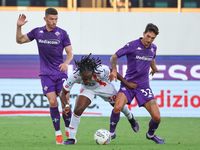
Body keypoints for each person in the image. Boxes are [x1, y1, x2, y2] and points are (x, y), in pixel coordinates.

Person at [16, 8, 73, 144]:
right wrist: (18, 27)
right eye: (52, 19)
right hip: (46, 74)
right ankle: (58, 133)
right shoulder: (37, 32)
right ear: (45, 19)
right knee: (53, 102)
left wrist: (66, 63)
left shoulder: (62, 33)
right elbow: (20, 40)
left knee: (65, 102)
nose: (54, 22)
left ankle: (69, 129)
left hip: (60, 73)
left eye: (56, 19)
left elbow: (70, 52)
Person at [60, 53, 139, 145]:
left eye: (89, 78)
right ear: (80, 74)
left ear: (93, 73)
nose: (87, 81)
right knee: (78, 109)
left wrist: (127, 84)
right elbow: (63, 92)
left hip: (103, 85)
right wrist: (66, 105)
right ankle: (71, 139)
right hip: (87, 89)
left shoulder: (101, 71)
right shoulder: (74, 75)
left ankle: (131, 118)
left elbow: (115, 73)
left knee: (118, 105)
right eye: (85, 79)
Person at [109, 23, 165, 144]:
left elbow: (152, 58)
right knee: (117, 107)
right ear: (144, 33)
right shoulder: (132, 45)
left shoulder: (153, 48)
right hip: (128, 84)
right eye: (148, 36)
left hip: (144, 86)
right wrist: (114, 70)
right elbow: (113, 57)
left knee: (157, 117)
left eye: (152, 38)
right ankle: (111, 134)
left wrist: (154, 67)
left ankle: (150, 135)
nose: (149, 40)